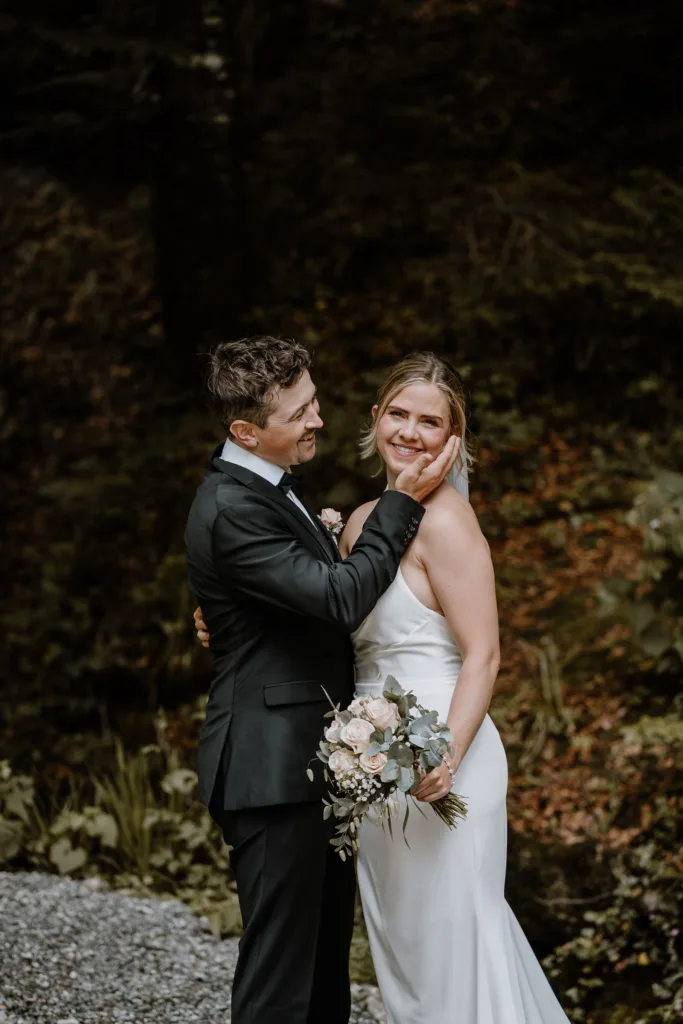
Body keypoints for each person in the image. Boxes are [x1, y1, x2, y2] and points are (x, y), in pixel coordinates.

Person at [198, 350, 571, 1024]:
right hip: (369, 767)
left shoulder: (446, 521)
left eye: (431, 421)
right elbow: (326, 608)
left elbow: (484, 654)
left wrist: (448, 754)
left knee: (457, 940)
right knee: (404, 954)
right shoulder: (364, 519)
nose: (411, 432)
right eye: (399, 414)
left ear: (453, 436)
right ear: (375, 419)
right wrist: (225, 617)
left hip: (444, 758)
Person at [185, 336, 458, 1024]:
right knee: (280, 985)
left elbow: (285, 597)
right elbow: (339, 598)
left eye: (313, 401)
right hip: (270, 768)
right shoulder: (235, 506)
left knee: (320, 972)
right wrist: (399, 501)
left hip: (309, 765)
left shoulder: (267, 487)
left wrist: (226, 616)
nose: (318, 420)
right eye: (298, 413)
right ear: (245, 430)